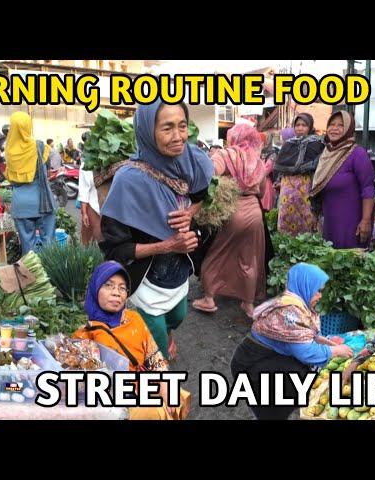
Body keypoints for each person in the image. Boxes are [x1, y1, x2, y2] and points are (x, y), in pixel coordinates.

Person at [99, 100, 213, 362]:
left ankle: (168, 334)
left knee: (178, 316)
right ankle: (161, 395)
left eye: (182, 126)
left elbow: (201, 196)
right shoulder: (129, 180)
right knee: (156, 351)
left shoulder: (192, 162)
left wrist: (190, 213)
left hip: (180, 275)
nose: (178, 137)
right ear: (148, 132)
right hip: (147, 283)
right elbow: (115, 249)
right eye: (167, 128)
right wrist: (167, 246)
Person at [231, 263, 353, 420]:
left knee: (301, 375)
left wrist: (327, 342)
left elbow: (305, 335)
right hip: (251, 366)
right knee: (298, 375)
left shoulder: (296, 304)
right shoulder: (289, 312)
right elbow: (307, 354)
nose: (320, 296)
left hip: (264, 359)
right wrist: (337, 351)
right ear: (305, 286)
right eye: (318, 291)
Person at [73, 261, 190, 420]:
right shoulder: (85, 335)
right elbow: (86, 387)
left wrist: (164, 386)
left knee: (176, 397)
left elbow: (153, 355)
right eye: (109, 285)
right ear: (95, 289)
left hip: (144, 383)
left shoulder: (133, 319)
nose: (117, 293)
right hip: (117, 401)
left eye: (122, 288)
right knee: (154, 411)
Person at [192, 124, 269, 319]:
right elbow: (261, 191)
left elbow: (210, 173)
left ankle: (209, 298)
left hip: (232, 210)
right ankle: (248, 303)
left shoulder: (226, 155)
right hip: (254, 212)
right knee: (249, 259)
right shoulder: (257, 160)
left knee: (216, 254)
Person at [311, 111, 375, 248]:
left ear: (348, 129)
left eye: (340, 125)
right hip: (330, 221)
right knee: (331, 260)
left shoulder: (357, 153)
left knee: (350, 262)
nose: (334, 128)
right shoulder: (326, 153)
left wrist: (365, 220)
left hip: (351, 223)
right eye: (332, 124)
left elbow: (368, 188)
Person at [5, 111, 57, 254]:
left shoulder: (8, 151)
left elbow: (9, 178)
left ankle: (32, 275)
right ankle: (50, 273)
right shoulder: (39, 146)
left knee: (28, 248)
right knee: (49, 244)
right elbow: (47, 170)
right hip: (43, 202)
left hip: (21, 205)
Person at [274, 113, 325, 236]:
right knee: (287, 219)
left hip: (306, 188)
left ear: (310, 127)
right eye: (297, 125)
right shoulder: (288, 145)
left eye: (304, 125)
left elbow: (320, 167)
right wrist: (278, 181)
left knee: (306, 220)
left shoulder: (317, 144)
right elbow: (279, 167)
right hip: (288, 191)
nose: (300, 128)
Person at [78, 132, 102, 243]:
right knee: (90, 240)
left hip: (109, 208)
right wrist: (84, 213)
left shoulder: (109, 161)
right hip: (93, 207)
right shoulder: (85, 165)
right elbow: (84, 190)